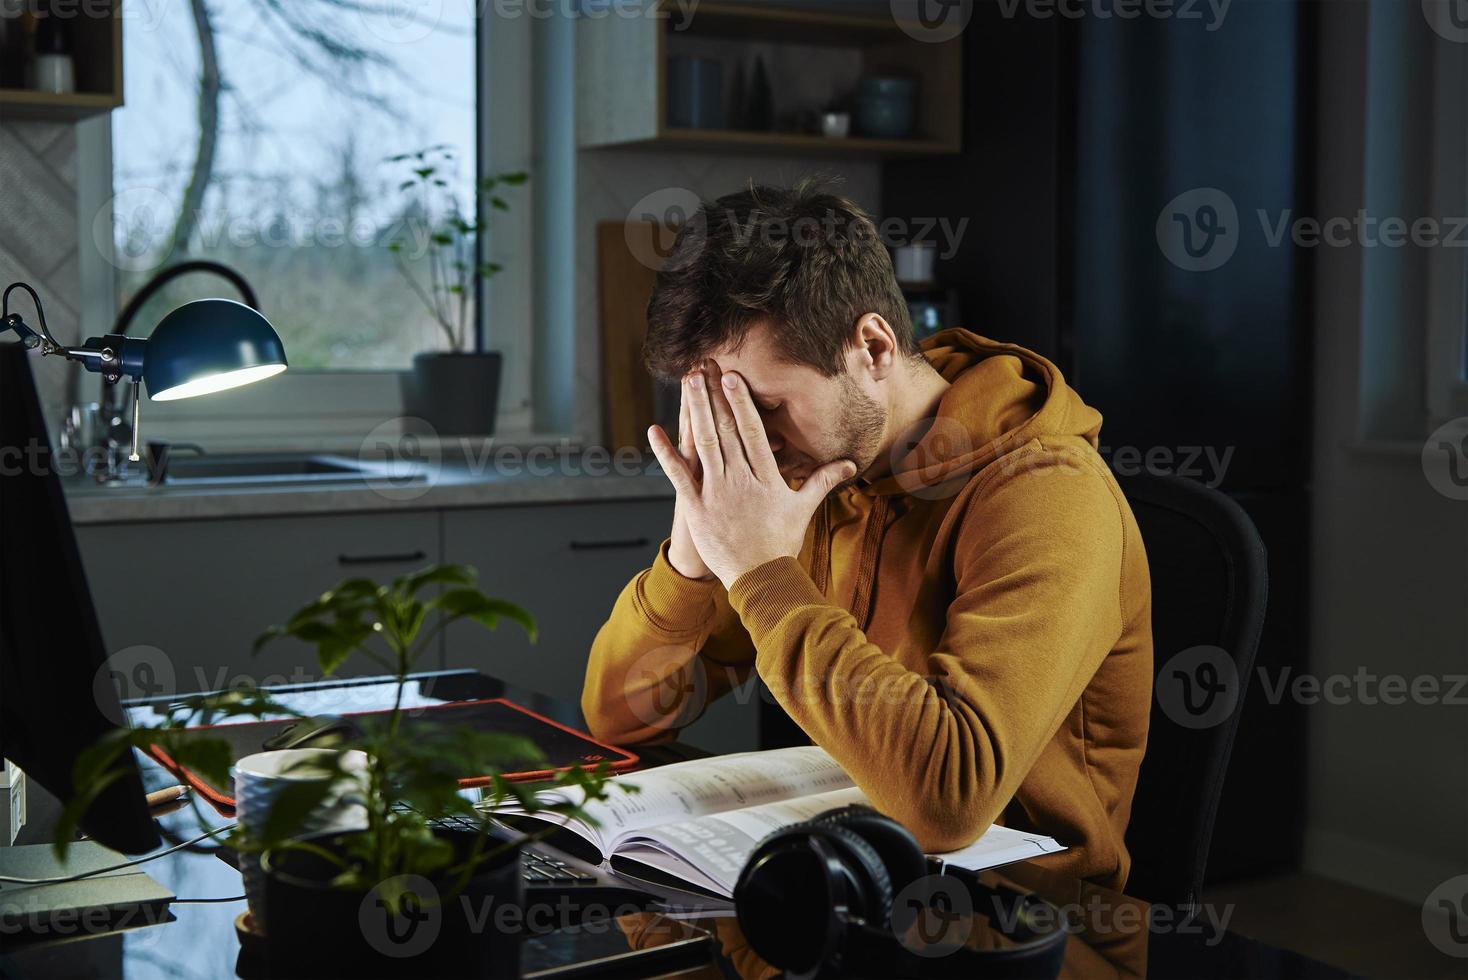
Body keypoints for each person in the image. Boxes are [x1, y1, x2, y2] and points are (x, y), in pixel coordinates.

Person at [581, 181, 1152, 890]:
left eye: (762, 406)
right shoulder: (811, 472)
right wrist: (694, 557)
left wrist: (762, 574)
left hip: (1023, 929)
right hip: (855, 888)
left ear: (872, 346)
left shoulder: (1048, 492)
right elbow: (620, 718)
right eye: (721, 410)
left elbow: (948, 799)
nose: (749, 442)